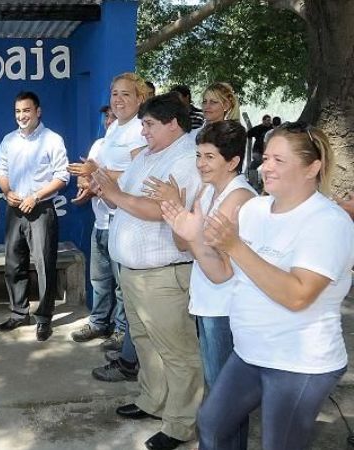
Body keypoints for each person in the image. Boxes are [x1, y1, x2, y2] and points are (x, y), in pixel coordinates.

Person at [169, 122, 354, 449]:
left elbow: (298, 295)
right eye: (266, 157)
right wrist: (194, 239)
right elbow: (224, 273)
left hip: (299, 363)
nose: (265, 166)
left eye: (279, 161)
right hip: (251, 352)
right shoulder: (255, 210)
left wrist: (236, 246)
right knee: (211, 424)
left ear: (313, 167)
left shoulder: (329, 222)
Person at [91, 92, 203, 450]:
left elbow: (163, 211)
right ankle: (154, 401)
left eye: (149, 125)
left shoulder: (186, 157)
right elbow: (121, 198)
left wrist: (117, 195)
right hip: (134, 272)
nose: (143, 132)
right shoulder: (150, 155)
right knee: (144, 343)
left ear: (173, 123)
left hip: (163, 274)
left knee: (177, 351)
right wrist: (102, 187)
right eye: (142, 125)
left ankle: (181, 424)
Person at [151, 120, 257, 448]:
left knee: (225, 398)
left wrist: (186, 224)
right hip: (208, 305)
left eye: (209, 157)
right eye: (198, 155)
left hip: (227, 310)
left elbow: (221, 271)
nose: (200, 164)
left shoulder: (239, 197)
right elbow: (186, 243)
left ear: (233, 161)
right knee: (219, 391)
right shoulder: (208, 190)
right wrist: (176, 214)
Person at [68, 73, 148, 365]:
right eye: (115, 93)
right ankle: (104, 325)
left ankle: (125, 337)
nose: (118, 99)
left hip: (125, 219)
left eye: (126, 94)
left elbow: (138, 176)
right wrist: (90, 174)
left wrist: (96, 172)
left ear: (140, 99)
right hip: (106, 216)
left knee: (123, 284)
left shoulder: (139, 129)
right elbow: (106, 170)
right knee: (101, 278)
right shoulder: (115, 130)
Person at [0, 91, 69, 341]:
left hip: (41, 209)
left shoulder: (52, 140)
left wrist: (35, 196)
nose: (22, 116)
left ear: (38, 111)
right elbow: (1, 171)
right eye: (18, 111)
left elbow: (62, 176)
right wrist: (7, 192)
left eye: (26, 110)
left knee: (44, 265)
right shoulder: (8, 140)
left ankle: (44, 318)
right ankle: (19, 312)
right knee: (13, 263)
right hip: (15, 208)